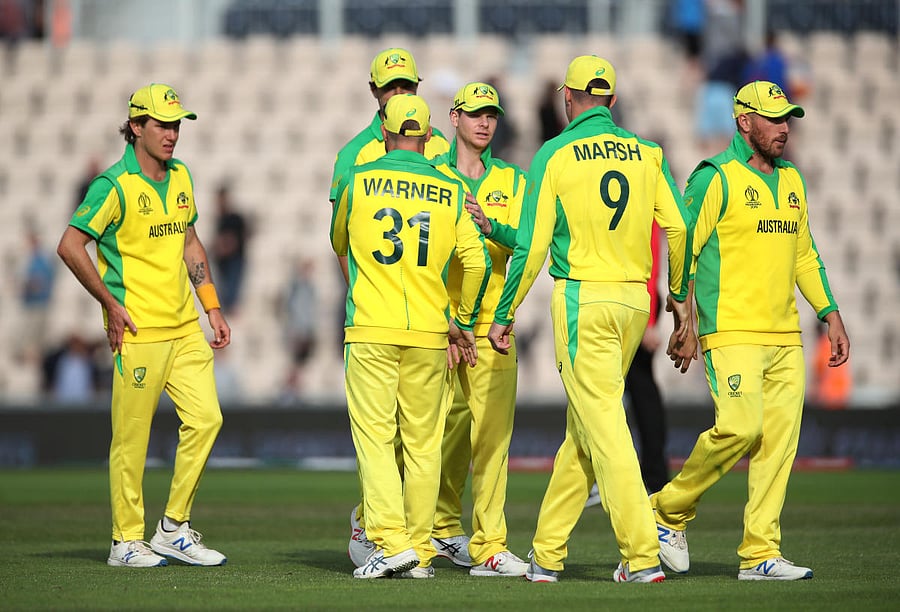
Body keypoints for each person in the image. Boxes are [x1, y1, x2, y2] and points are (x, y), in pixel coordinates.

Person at [487, 55, 693, 584]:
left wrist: (505, 311)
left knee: (604, 423)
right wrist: (678, 298)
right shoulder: (647, 153)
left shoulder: (554, 153)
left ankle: (643, 554)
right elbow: (680, 228)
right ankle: (548, 555)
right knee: (586, 427)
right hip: (632, 305)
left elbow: (532, 246)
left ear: (569, 100)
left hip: (582, 300)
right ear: (613, 102)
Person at [654, 80, 850, 581]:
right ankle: (666, 511)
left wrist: (829, 311)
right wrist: (684, 320)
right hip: (731, 331)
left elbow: (805, 253)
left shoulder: (793, 181)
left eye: (788, 119)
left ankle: (760, 553)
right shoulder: (713, 178)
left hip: (785, 335)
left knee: (777, 447)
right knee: (741, 428)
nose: (785, 128)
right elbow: (684, 249)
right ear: (745, 122)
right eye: (774, 119)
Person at [56, 83, 230, 568]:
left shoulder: (181, 178)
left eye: (176, 124)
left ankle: (173, 528)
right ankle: (124, 541)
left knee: (208, 419)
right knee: (131, 439)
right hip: (138, 333)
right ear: (136, 127)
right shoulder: (112, 185)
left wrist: (211, 304)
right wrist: (110, 305)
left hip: (184, 329)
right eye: (162, 124)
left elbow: (190, 242)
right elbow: (70, 245)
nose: (172, 134)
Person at [330, 93, 490, 579]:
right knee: (424, 446)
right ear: (426, 137)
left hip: (372, 330)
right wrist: (461, 321)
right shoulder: (448, 186)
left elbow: (339, 241)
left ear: (385, 133)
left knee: (377, 441)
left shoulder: (358, 181)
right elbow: (478, 261)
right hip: (429, 332)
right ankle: (419, 551)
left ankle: (389, 541)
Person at [430, 82, 529, 578]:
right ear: (454, 117)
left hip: (492, 326)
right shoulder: (432, 176)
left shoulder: (514, 180)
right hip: (442, 326)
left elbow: (526, 246)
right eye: (475, 114)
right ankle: (419, 532)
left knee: (492, 437)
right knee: (429, 436)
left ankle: (488, 544)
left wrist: (491, 228)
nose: (484, 123)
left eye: (491, 114)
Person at [585, 222, 670, 508]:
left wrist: (647, 321)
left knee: (636, 388)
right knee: (622, 386)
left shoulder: (643, 180)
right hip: (621, 294)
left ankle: (652, 478)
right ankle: (644, 477)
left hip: (633, 295)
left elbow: (651, 249)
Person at [211, 184, 249, 314]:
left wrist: (225, 245)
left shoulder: (235, 218)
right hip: (223, 262)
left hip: (234, 260)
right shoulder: (220, 220)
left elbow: (238, 239)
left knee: (232, 294)